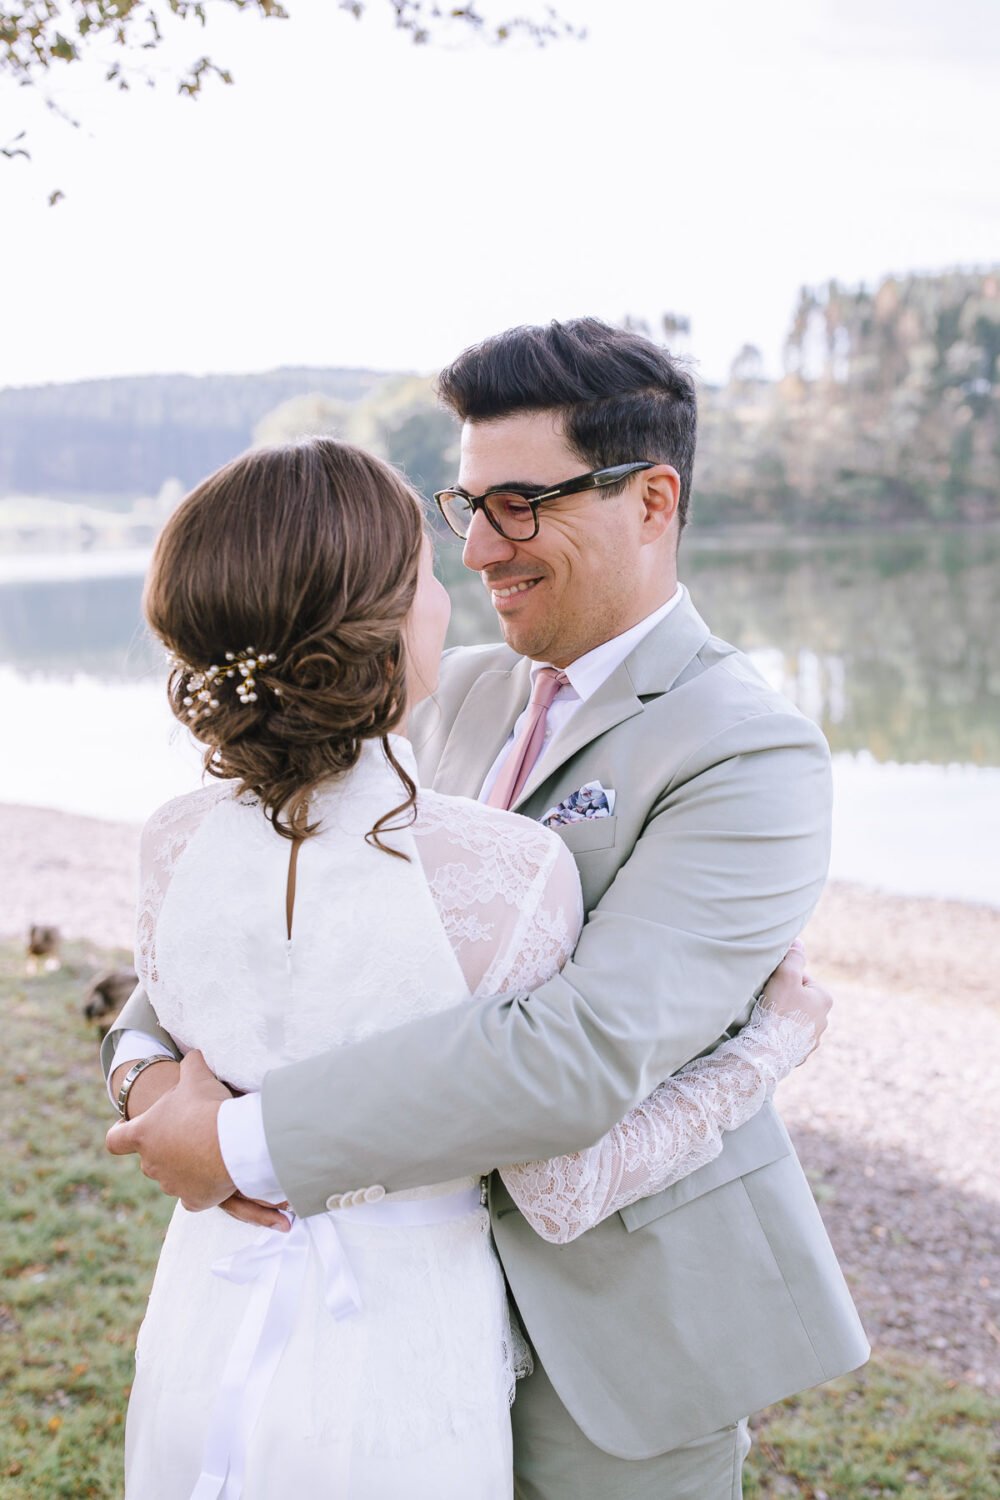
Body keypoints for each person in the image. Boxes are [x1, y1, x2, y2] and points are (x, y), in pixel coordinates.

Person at [104, 320, 869, 1499]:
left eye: (520, 505)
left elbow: (576, 1057)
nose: (478, 554)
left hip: (611, 1343)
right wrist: (147, 1079)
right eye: (466, 509)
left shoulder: (749, 752)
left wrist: (242, 1145)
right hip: (377, 1324)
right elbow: (254, 920)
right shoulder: (444, 686)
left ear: (652, 499)